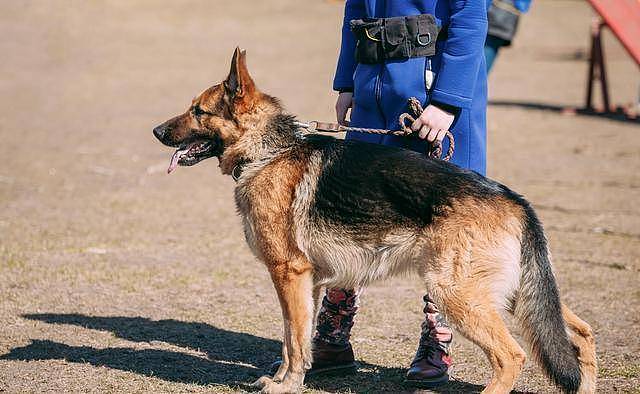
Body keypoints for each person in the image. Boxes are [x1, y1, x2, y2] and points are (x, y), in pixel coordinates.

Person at [272, 0, 489, 388]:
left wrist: (447, 100)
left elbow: (470, 16)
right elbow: (354, 8)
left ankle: (436, 340)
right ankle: (333, 335)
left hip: (433, 101)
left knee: (444, 227)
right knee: (348, 217)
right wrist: (348, 81)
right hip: (373, 91)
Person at [484, 0, 532, 73]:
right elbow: (523, 6)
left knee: (484, 59)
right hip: (504, 20)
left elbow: (523, 6)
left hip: (496, 20)